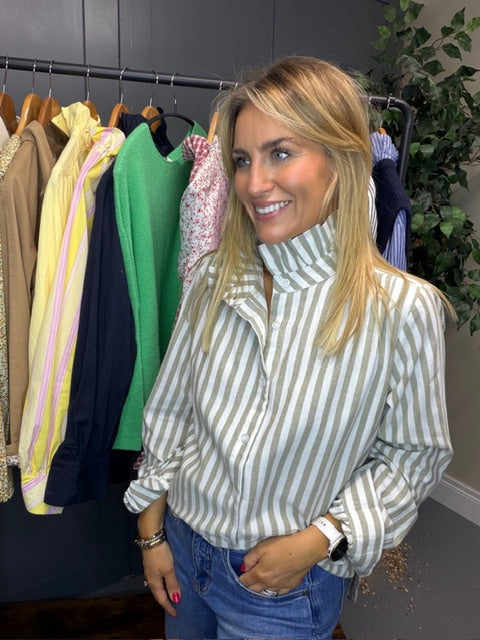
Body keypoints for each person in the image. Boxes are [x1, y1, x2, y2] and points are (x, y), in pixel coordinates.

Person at [124, 56, 454, 640]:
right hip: (184, 549)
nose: (254, 184)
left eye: (280, 153)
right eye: (242, 160)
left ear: (340, 160)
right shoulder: (214, 278)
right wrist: (152, 534)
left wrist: (319, 540)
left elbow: (413, 457)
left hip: (283, 586)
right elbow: (171, 413)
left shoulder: (403, 309)